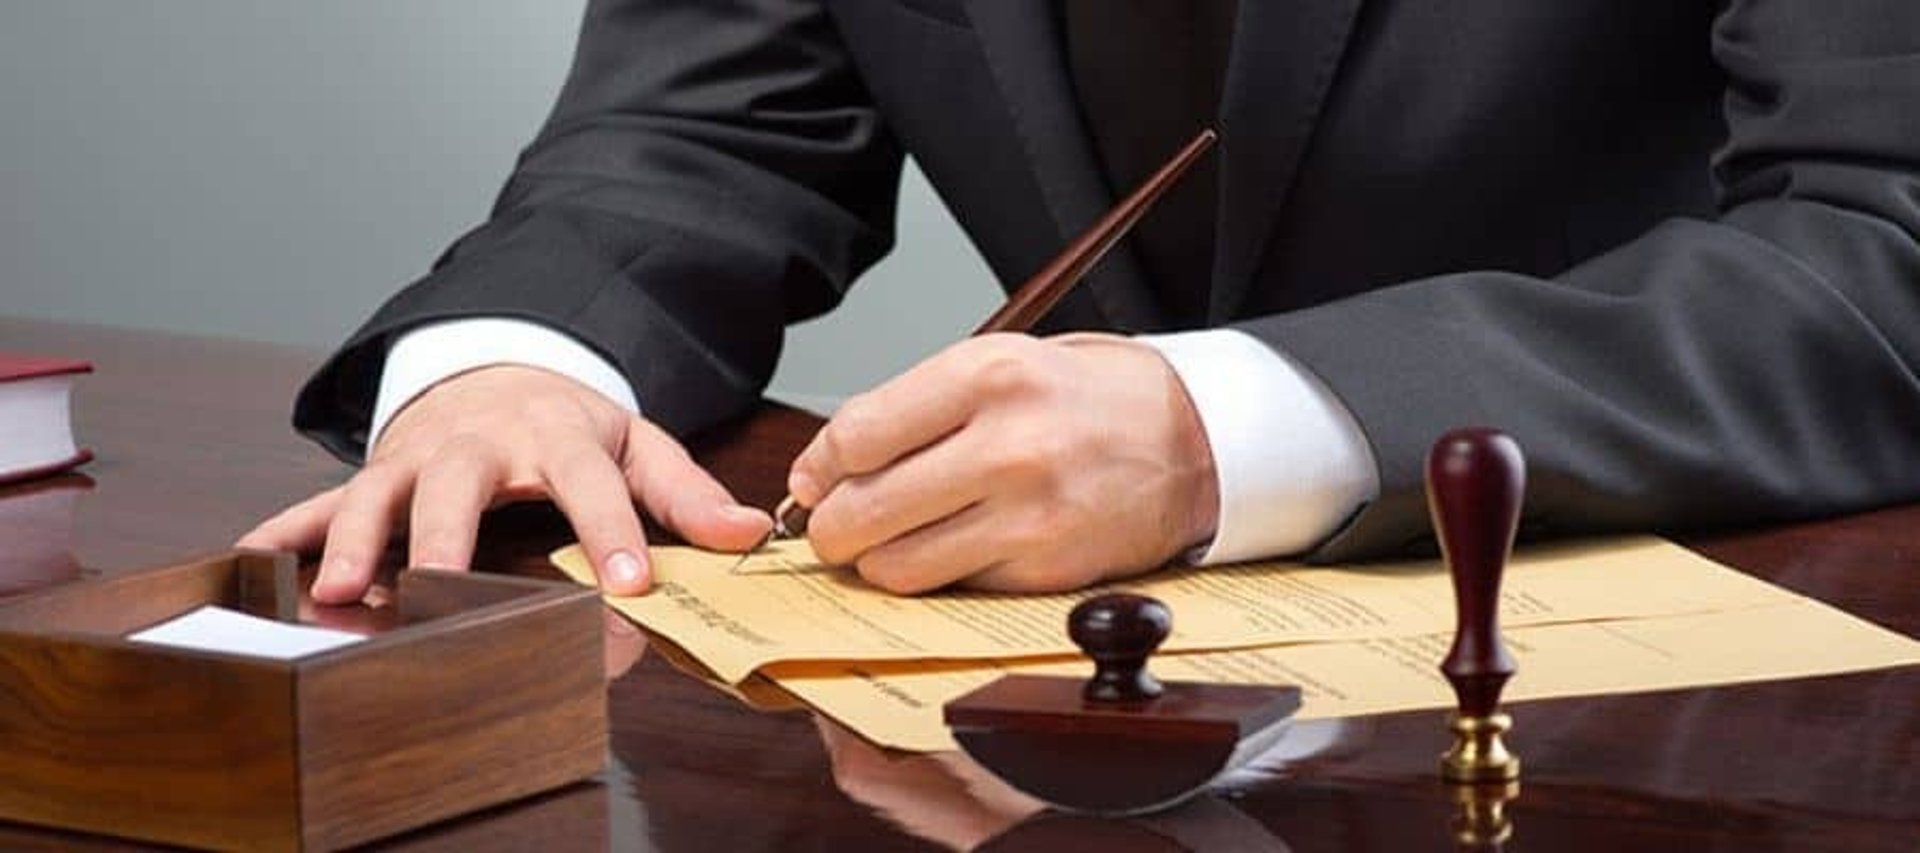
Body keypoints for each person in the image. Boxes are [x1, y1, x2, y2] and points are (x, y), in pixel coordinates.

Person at [241, 1, 1920, 605]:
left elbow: (1883, 241)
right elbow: (697, 125)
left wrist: (1232, 426)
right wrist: (514, 360)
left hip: (1708, 693)